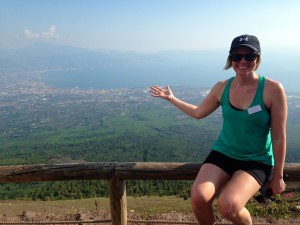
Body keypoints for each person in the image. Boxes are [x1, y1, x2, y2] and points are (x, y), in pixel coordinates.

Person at [149, 34, 287, 225]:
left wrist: (278, 177)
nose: (243, 61)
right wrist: (171, 98)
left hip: (256, 158)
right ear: (230, 59)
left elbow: (279, 136)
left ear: (258, 57)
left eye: (250, 56)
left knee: (228, 205)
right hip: (224, 152)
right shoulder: (222, 87)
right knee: (199, 198)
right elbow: (198, 113)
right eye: (237, 56)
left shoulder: (272, 89)